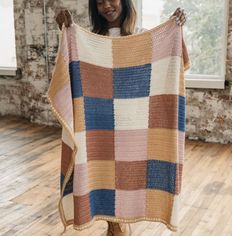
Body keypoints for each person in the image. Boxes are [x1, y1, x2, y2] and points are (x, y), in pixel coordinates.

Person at [55, 1, 186, 235]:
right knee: (102, 176)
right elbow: (75, 71)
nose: (106, 5)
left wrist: (175, 27)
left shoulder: (142, 38)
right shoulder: (90, 40)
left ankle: (120, 223)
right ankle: (114, 225)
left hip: (134, 125)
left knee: (130, 176)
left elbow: (166, 66)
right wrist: (64, 32)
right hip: (99, 123)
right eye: (100, 2)